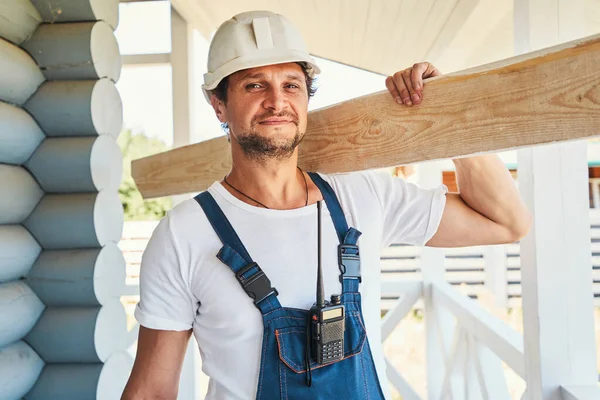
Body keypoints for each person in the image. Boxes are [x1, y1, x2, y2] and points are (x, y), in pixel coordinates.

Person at [121, 10, 531, 400]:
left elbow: (505, 223)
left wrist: (448, 108)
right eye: (254, 85)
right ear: (219, 104)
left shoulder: (361, 197)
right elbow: (151, 391)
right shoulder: (184, 234)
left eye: (291, 85)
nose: (276, 101)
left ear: (306, 100)